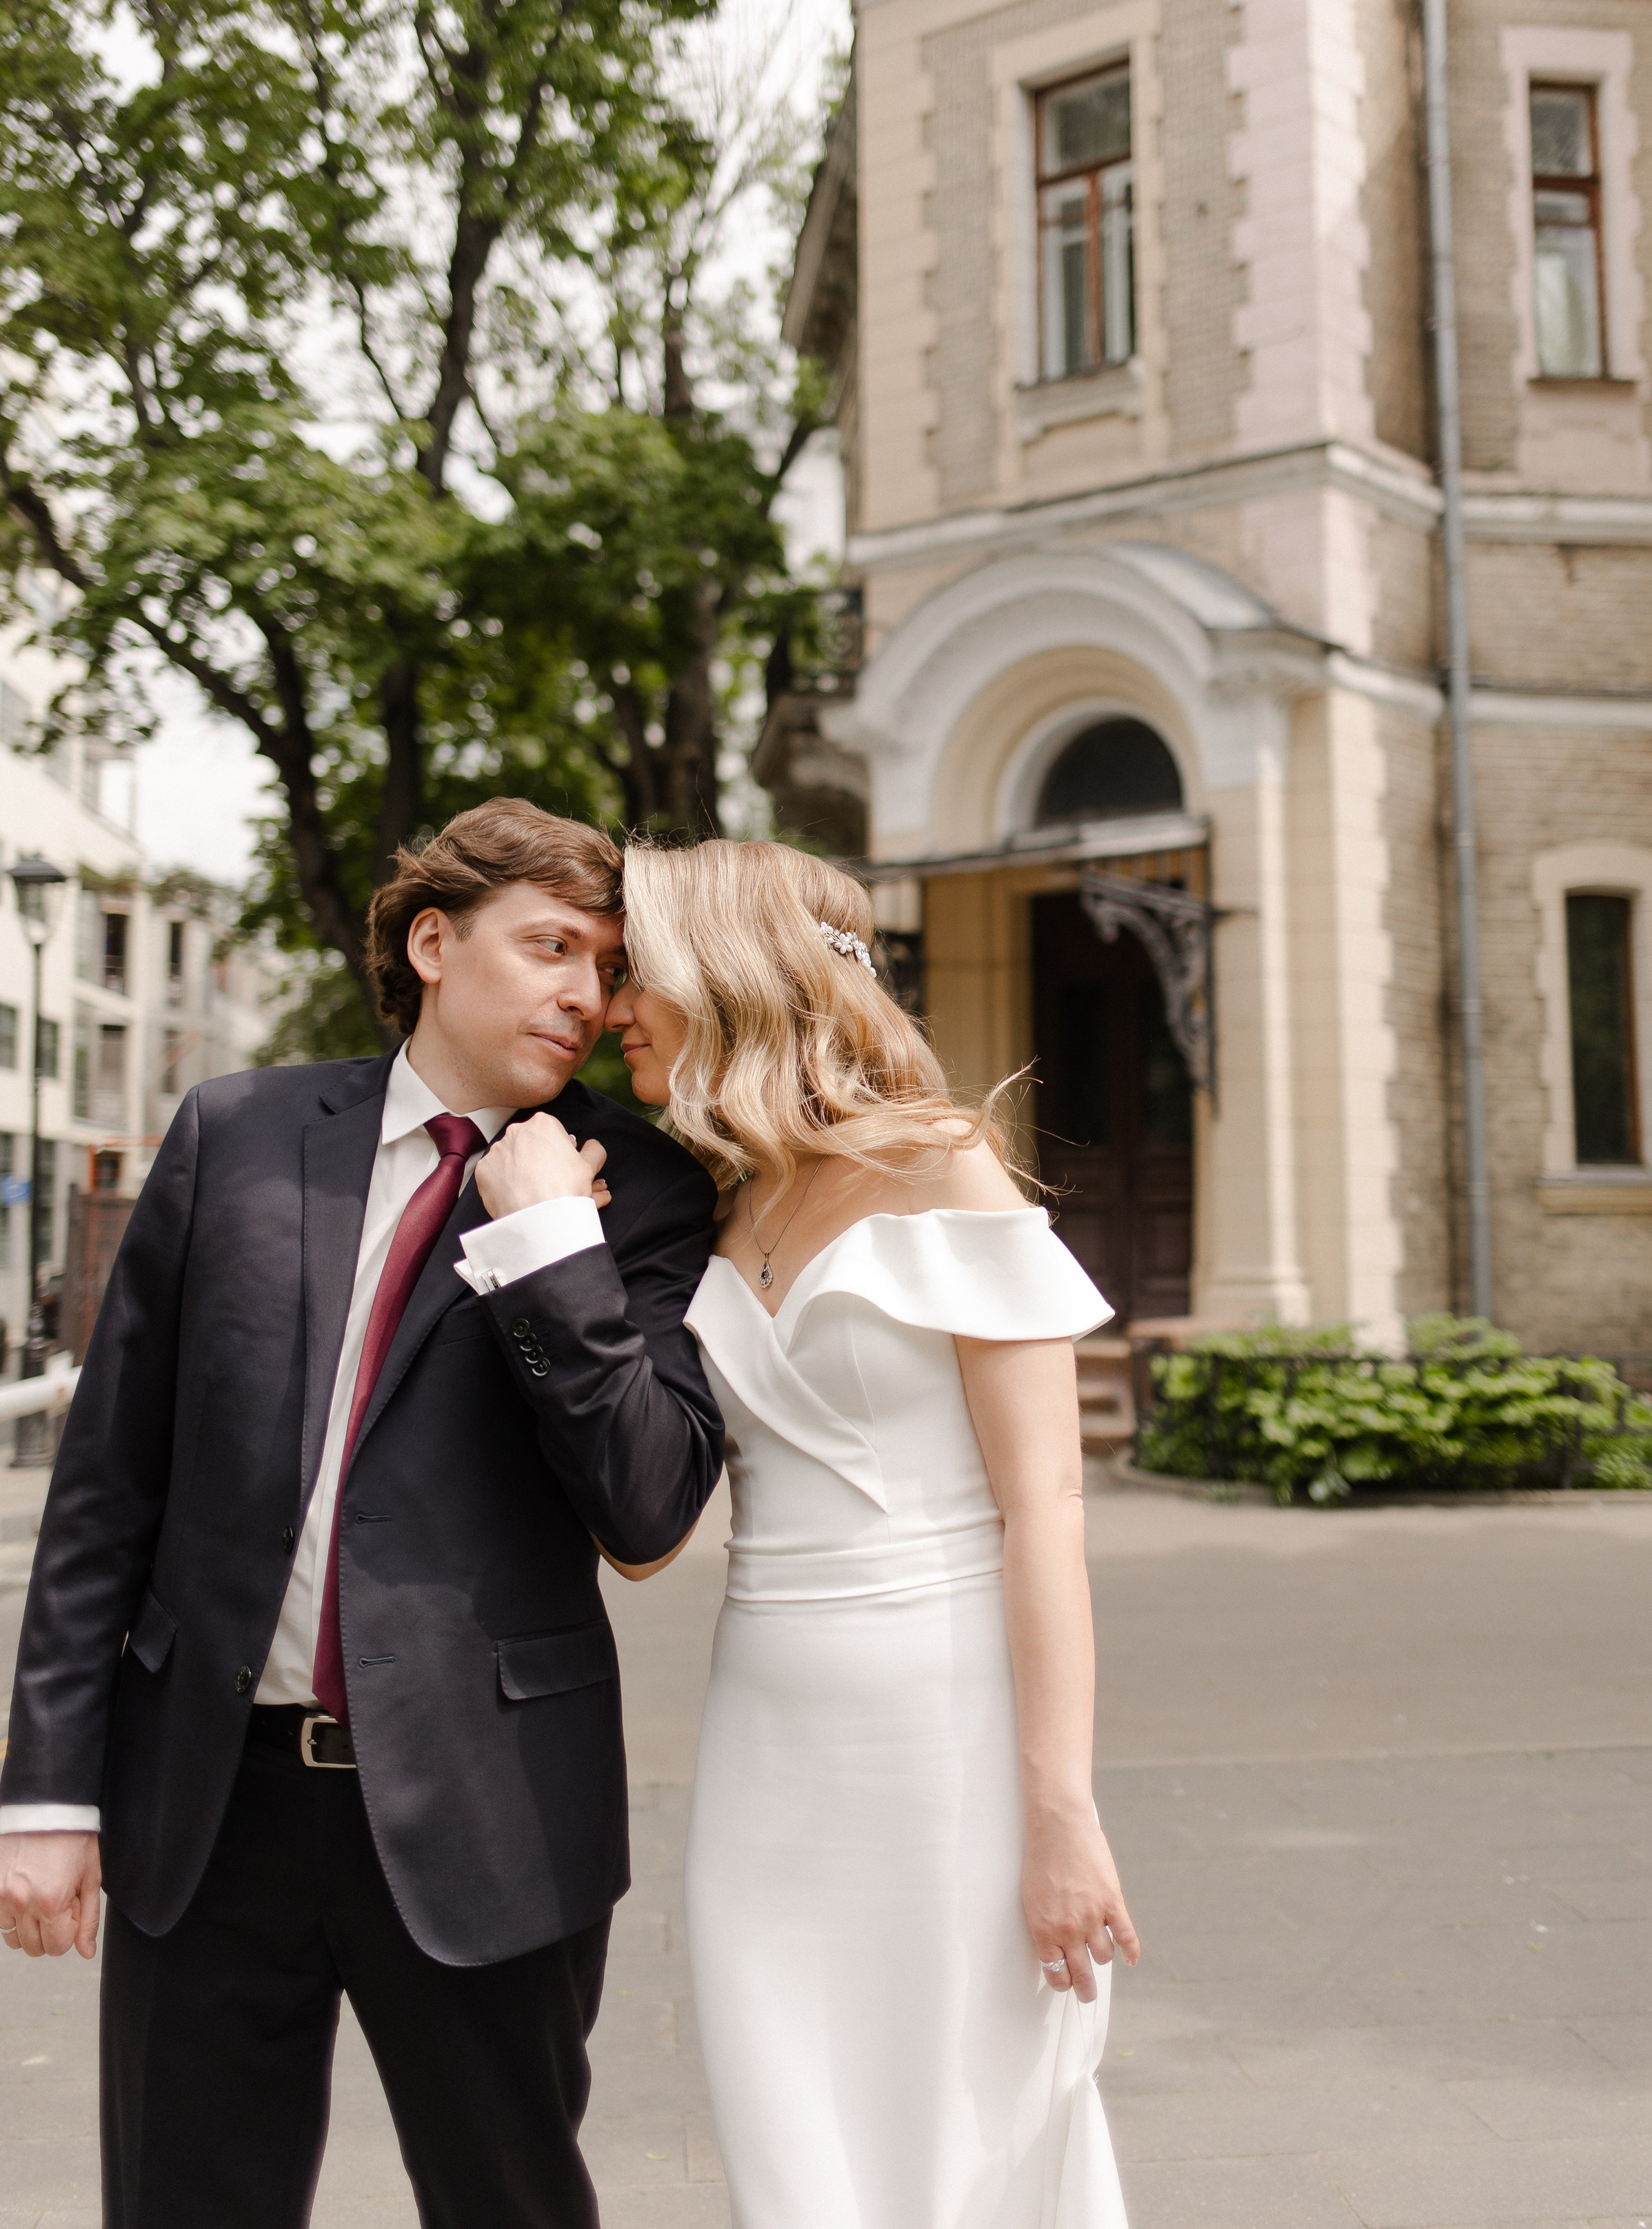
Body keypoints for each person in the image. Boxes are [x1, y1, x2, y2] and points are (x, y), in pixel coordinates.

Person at [0, 798, 723, 2229]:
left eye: (605, 963)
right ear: (434, 941)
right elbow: (106, 1491)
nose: (586, 993)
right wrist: (46, 1792)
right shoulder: (238, 1135)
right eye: (551, 948)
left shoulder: (639, 1194)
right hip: (207, 1801)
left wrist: (544, 1248)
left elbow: (646, 1505)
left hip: (484, 1801)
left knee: (505, 2201)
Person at [479, 836, 1139, 2227]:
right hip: (763, 1737)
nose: (606, 1012)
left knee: (959, 2127)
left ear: (722, 976)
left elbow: (1046, 1512)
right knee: (788, 2126)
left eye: (630, 977)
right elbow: (645, 1495)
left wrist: (1060, 1814)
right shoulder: (708, 1202)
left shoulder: (942, 1168)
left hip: (942, 1725)